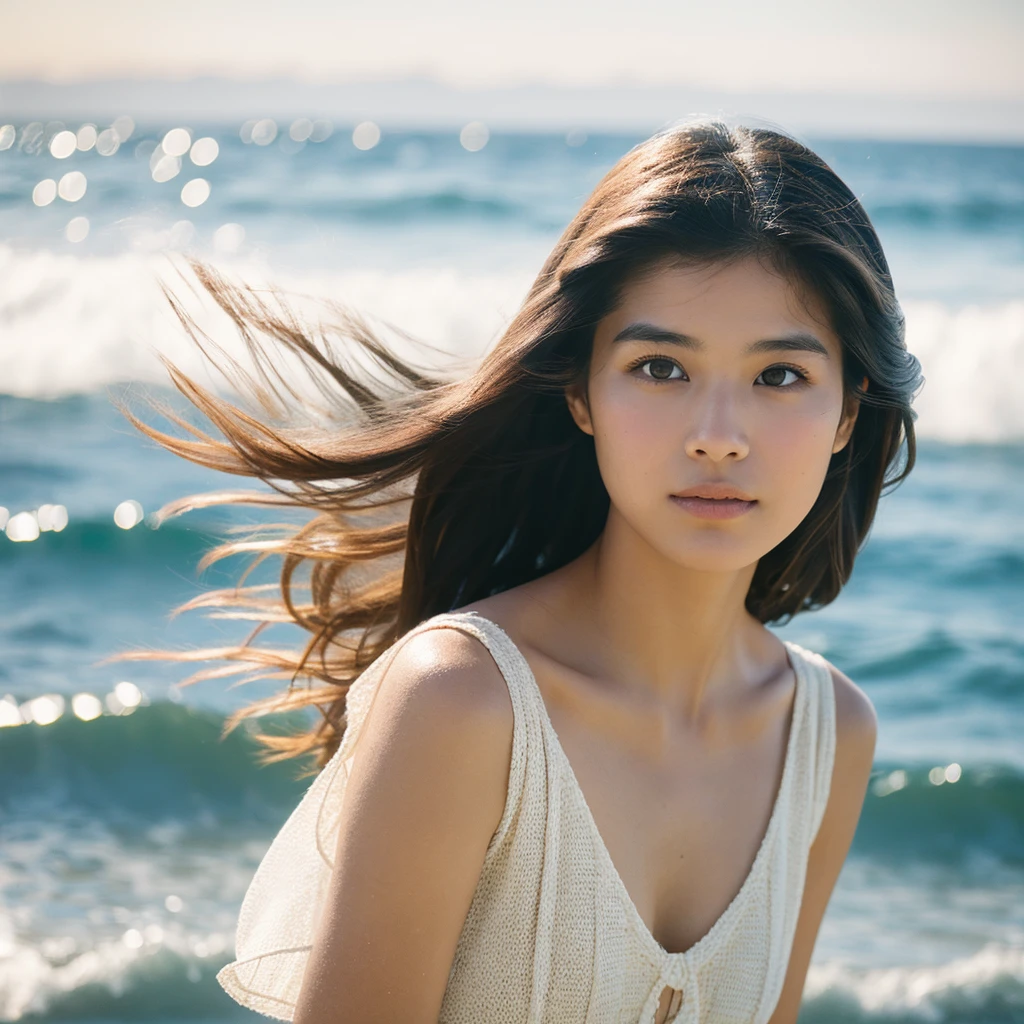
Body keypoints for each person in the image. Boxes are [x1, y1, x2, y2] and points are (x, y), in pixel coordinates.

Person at [130, 120, 921, 1024]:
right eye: (660, 367)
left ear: (849, 414)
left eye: (780, 376)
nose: (718, 433)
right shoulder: (463, 701)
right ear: (581, 391)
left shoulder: (829, 735)